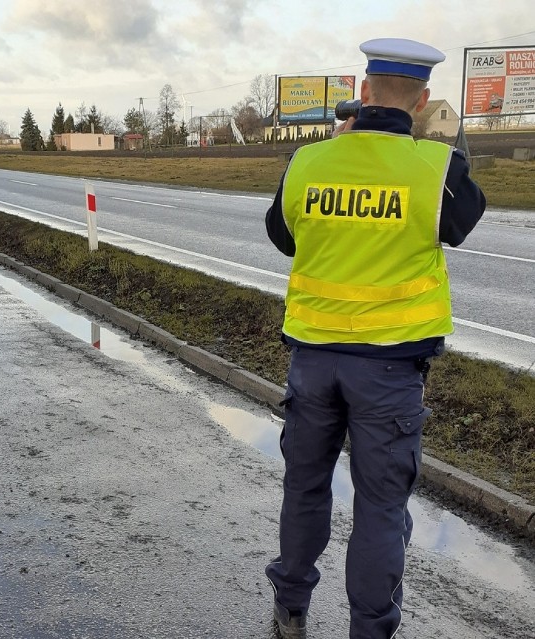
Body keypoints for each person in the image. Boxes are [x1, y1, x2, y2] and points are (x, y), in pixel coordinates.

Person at [264, 38, 486, 639]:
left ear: (362, 95)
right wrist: (446, 143)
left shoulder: (307, 164)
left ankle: (290, 609)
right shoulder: (437, 169)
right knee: (380, 509)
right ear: (421, 103)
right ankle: (370, 630)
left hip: (311, 361)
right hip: (389, 372)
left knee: (304, 487)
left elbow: (283, 237)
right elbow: (463, 222)